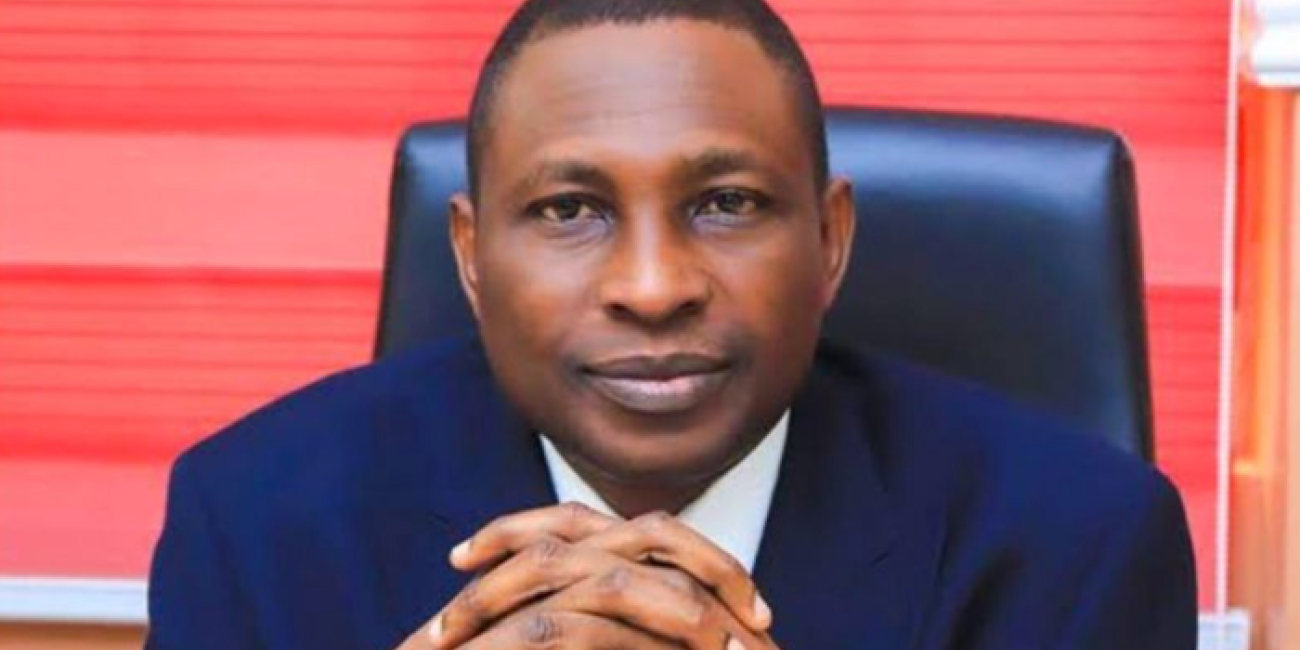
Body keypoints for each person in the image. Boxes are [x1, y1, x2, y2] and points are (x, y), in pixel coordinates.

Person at [144, 0, 1197, 648]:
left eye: (726, 203)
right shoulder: (258, 523)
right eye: (570, 210)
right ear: (468, 254)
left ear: (829, 238)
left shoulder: (1074, 548)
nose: (652, 287)